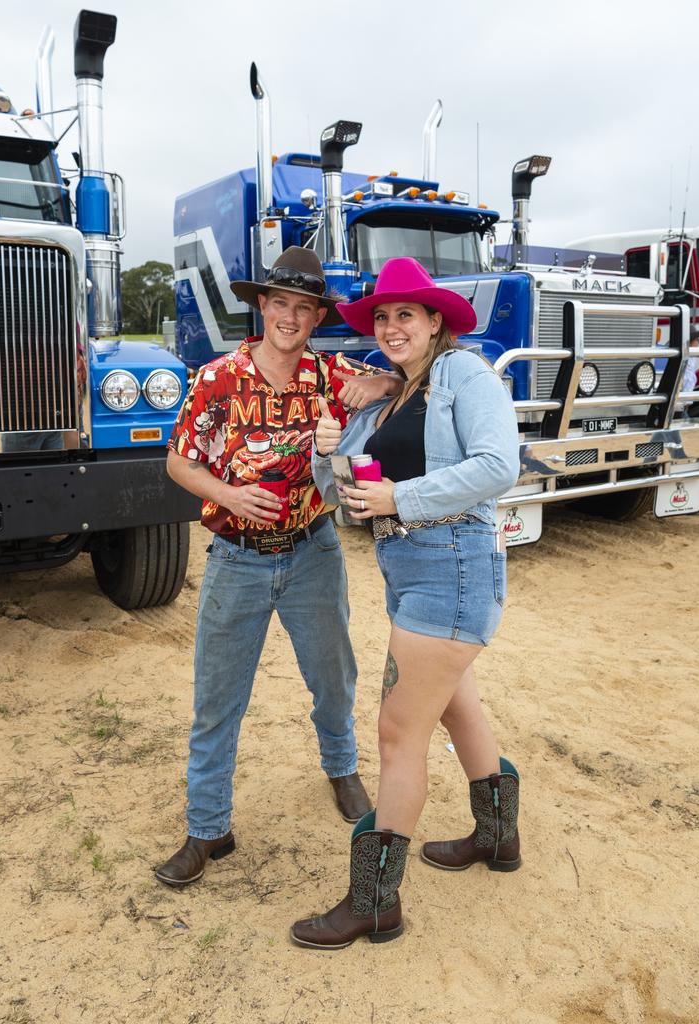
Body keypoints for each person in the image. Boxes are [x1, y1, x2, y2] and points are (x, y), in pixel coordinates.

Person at [290, 257, 521, 948]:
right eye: (383, 316)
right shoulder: (388, 395)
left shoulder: (464, 376)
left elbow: (496, 465)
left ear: (435, 322)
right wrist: (325, 448)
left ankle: (374, 900)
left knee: (397, 735)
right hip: (410, 567)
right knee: (459, 705)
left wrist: (401, 497)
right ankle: (497, 837)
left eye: (406, 315)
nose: (392, 326)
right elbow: (340, 494)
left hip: (451, 563)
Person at [154, 247, 403, 888]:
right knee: (218, 698)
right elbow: (179, 462)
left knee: (334, 676)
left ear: (316, 316)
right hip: (236, 559)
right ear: (261, 306)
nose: (290, 317)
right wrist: (228, 494)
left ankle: (342, 770)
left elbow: (399, 382)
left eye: (304, 307)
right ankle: (208, 829)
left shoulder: (329, 373)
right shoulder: (218, 378)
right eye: (280, 303)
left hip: (314, 551)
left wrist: (377, 383)